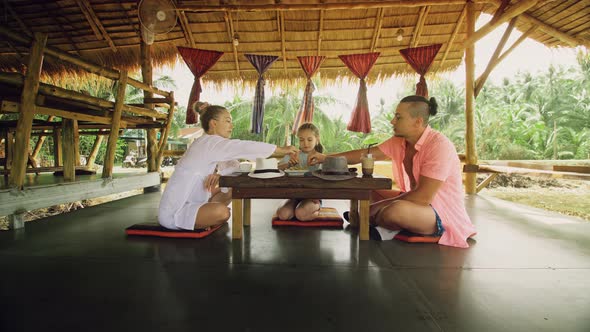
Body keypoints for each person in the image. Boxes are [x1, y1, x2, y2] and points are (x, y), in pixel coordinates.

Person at [309, 95, 476, 248]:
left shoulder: (438, 146)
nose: (392, 121)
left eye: (398, 117)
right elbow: (364, 155)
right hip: (415, 203)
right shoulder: (400, 141)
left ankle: (379, 224)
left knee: (394, 211)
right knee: (371, 191)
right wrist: (325, 157)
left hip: (439, 213)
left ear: (417, 122)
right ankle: (378, 222)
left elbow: (423, 197)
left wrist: (376, 208)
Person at [158, 102, 298, 231]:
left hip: (196, 202)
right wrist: (281, 149)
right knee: (223, 213)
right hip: (175, 212)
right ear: (213, 123)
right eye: (228, 121)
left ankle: (207, 218)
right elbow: (243, 147)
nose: (232, 126)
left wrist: (220, 175)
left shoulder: (213, 144)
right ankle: (205, 219)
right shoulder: (208, 143)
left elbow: (234, 166)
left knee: (232, 191)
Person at [275, 123, 323, 221]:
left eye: (309, 140)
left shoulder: (320, 157)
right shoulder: (293, 155)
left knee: (300, 214)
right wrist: (288, 164)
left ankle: (318, 210)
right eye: (301, 140)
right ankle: (294, 205)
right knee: (283, 215)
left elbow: (326, 176)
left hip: (313, 196)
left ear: (317, 139)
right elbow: (277, 168)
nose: (305, 143)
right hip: (294, 194)